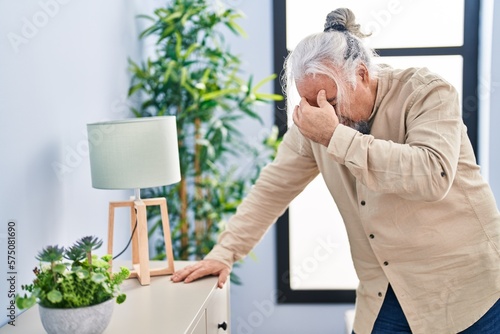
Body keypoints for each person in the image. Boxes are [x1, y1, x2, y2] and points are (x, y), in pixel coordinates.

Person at [171, 7, 500, 333]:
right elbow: (273, 188)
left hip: (469, 286)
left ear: (361, 74)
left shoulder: (426, 92)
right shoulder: (315, 123)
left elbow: (432, 174)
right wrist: (225, 252)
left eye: (330, 98)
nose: (319, 111)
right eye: (308, 101)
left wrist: (335, 137)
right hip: (386, 288)